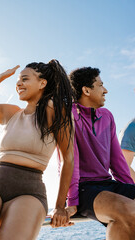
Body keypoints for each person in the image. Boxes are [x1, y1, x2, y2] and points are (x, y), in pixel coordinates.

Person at [0, 60, 74, 240]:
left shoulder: (55, 110)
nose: (19, 83)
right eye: (18, 80)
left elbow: (68, 158)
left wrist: (59, 205)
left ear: (42, 83)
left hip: (29, 193)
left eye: (25, 79)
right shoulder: (10, 113)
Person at [66, 67, 135, 240]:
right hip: (84, 189)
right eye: (101, 85)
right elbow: (68, 162)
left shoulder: (107, 116)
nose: (105, 90)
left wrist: (129, 190)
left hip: (107, 184)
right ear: (86, 90)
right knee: (129, 212)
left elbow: (117, 160)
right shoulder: (69, 116)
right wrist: (71, 202)